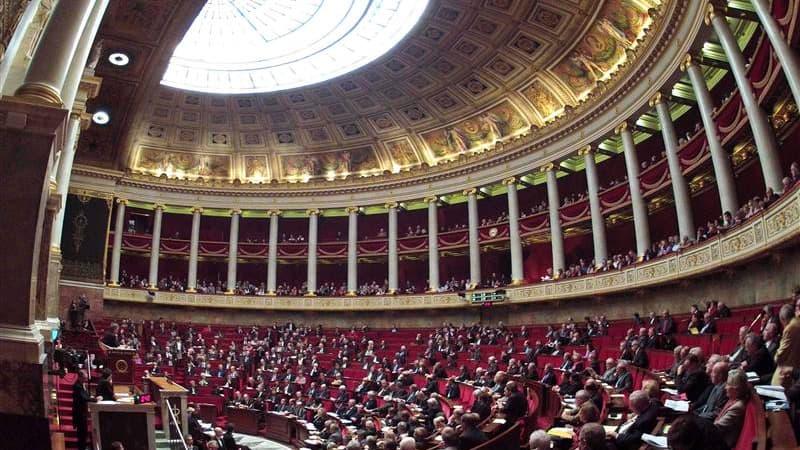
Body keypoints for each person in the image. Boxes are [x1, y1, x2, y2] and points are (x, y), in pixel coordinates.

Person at [773, 303, 800, 385]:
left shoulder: (790, 328)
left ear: (782, 319)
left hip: (787, 373)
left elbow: (780, 356)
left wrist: (776, 357)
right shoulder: (796, 323)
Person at [72, 371, 94, 450]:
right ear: (80, 377)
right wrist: (94, 399)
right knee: (81, 434)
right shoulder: (77, 386)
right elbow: (84, 397)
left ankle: (83, 447)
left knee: (84, 433)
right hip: (79, 414)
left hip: (82, 413)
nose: (86, 379)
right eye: (84, 378)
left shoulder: (81, 385)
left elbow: (86, 395)